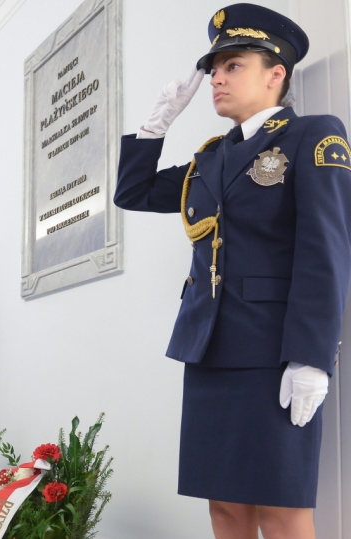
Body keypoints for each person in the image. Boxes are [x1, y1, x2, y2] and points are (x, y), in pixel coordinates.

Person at [114, 5, 351, 538]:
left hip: (274, 355)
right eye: (214, 67)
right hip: (209, 348)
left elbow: (326, 252)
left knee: (283, 510)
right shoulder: (210, 159)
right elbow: (131, 194)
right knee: (225, 508)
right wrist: (155, 129)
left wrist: (311, 357)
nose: (217, 77)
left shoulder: (314, 137)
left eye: (233, 64)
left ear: (276, 74)